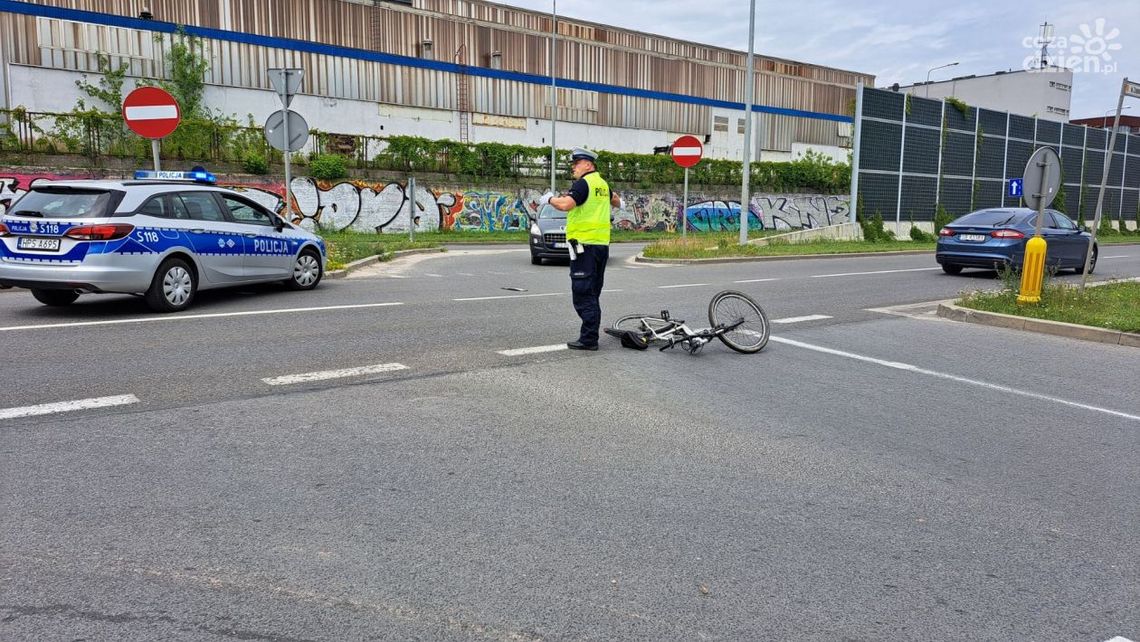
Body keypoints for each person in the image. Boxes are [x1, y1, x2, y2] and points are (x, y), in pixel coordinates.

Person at [539, 147, 621, 351]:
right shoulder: (602, 184)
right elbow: (617, 200)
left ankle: (589, 339)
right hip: (601, 246)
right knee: (593, 292)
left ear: (588, 164)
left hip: (585, 247)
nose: (573, 168)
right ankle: (590, 334)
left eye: (576, 163)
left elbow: (566, 205)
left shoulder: (584, 183)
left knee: (583, 293)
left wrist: (548, 199)